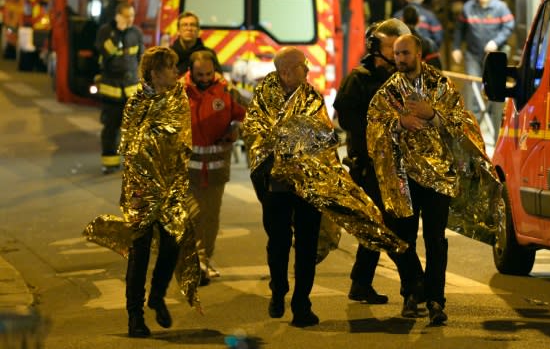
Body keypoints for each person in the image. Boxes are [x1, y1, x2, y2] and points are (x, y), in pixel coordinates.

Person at [242, 47, 405, 328]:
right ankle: (279, 290)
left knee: (307, 244)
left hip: (311, 183)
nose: (307, 70)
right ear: (286, 72)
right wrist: (282, 153)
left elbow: (323, 133)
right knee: (278, 243)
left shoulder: (311, 95)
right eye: (303, 66)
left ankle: (301, 304)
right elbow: (256, 134)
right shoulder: (264, 98)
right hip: (277, 185)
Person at [367, 34, 497, 326]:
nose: (399, 59)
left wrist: (433, 115)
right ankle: (412, 293)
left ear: (418, 53)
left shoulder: (441, 85)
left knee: (436, 240)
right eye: (396, 54)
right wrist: (399, 123)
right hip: (403, 177)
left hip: (439, 177)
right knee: (403, 238)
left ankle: (436, 300)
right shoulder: (389, 91)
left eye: (405, 53)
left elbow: (463, 123)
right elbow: (373, 125)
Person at [84, 46, 200, 338]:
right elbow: (131, 144)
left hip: (171, 184)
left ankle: (157, 296)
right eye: (171, 67)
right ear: (155, 73)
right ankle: (134, 316)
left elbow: (182, 138)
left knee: (172, 245)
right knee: (140, 251)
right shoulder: (136, 102)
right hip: (142, 187)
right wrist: (156, 135)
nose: (177, 72)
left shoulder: (179, 98)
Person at [334, 18, 425, 307]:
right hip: (371, 165)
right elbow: (347, 120)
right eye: (393, 48)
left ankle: (361, 284)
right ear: (377, 49)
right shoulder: (359, 79)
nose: (399, 53)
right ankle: (415, 286)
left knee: (379, 225)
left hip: (403, 163)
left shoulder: (402, 78)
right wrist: (386, 125)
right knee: (392, 226)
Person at [184, 50, 246, 285]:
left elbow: (245, 115)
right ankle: (196, 263)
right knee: (192, 217)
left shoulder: (226, 91)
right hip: (187, 170)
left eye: (209, 73)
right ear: (191, 71)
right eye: (200, 74)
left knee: (210, 219)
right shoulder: (178, 92)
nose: (205, 78)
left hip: (217, 169)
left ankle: (203, 260)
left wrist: (235, 130)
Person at [451, 0, 515, 133]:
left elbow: (509, 26)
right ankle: (473, 127)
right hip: (473, 54)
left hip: (494, 55)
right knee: (472, 88)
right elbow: (459, 29)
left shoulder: (500, 8)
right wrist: (456, 48)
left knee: (494, 89)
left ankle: (495, 125)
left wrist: (496, 41)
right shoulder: (468, 7)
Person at [94, 2, 143, 174]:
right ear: (118, 16)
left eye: (132, 16)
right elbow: (105, 53)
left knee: (135, 129)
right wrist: (118, 34)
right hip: (111, 89)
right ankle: (110, 163)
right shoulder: (105, 32)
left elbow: (140, 58)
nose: (131, 19)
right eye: (127, 16)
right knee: (111, 128)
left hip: (132, 89)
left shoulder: (136, 33)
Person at [171, 11, 221, 77]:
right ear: (178, 30)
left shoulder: (209, 54)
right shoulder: (169, 55)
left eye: (193, 25)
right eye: (184, 25)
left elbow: (218, 79)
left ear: (198, 30)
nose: (189, 28)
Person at [402, 5, 442, 69]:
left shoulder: (394, 43)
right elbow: (436, 71)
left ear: (402, 20)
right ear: (418, 20)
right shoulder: (429, 44)